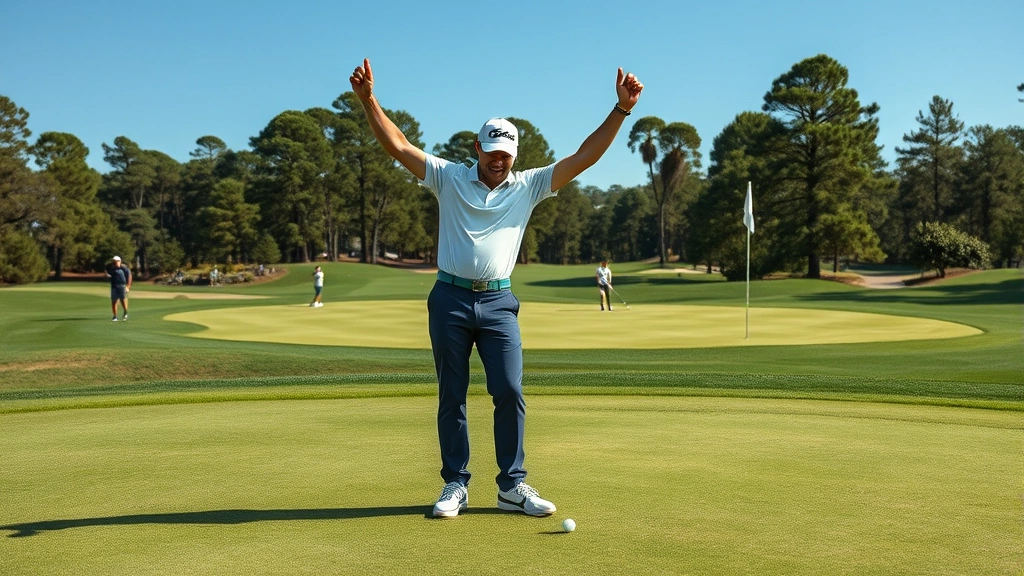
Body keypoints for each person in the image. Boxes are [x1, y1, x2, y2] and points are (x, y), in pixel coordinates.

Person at [349, 57, 643, 518]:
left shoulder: (530, 185)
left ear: (515, 153)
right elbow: (399, 146)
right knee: (453, 394)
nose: (498, 160)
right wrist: (370, 102)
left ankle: (512, 486)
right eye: (491, 152)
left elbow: (585, 156)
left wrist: (621, 111)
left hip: (499, 301)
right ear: (477, 148)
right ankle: (455, 485)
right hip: (449, 298)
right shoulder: (448, 176)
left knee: (508, 389)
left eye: (505, 153)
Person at [106, 256, 132, 321]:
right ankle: (115, 316)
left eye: (117, 261)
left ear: (120, 261)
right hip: (114, 286)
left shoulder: (124, 268)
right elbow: (107, 272)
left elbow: (129, 276)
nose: (116, 263)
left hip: (122, 286)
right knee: (114, 301)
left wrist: (128, 286)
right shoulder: (111, 268)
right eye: (114, 261)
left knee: (123, 300)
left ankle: (125, 312)